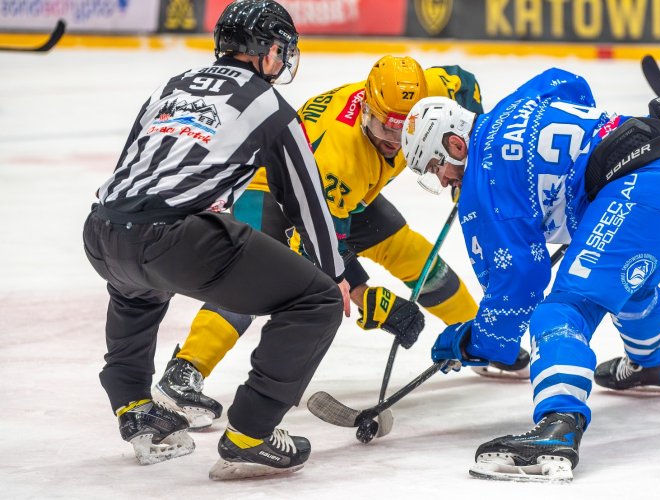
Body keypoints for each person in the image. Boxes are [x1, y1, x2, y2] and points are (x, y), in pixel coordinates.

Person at [154, 55, 533, 429]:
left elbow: (463, 82)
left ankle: (481, 339)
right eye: (385, 128)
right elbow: (319, 249)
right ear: (366, 108)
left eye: (405, 131)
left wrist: (469, 160)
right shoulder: (339, 156)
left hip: (348, 195)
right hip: (275, 191)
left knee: (413, 254)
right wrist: (371, 300)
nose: (395, 143)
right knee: (251, 283)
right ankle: (184, 371)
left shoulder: (427, 95)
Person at [401, 69, 660, 481]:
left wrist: (473, 341)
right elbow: (566, 82)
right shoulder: (513, 105)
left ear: (456, 144)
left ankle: (558, 428)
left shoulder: (483, 183)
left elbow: (520, 284)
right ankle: (650, 364)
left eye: (435, 167)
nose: (442, 180)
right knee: (629, 286)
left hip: (642, 188)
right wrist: (576, 171)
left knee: (562, 311)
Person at [82, 0, 350, 480]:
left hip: (102, 230)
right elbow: (305, 199)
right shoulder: (269, 104)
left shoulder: (172, 86)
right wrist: (335, 274)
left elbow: (129, 169)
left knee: (137, 291)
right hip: (176, 239)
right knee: (317, 301)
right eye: (281, 50)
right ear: (268, 51)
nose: (283, 59)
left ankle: (135, 407)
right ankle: (251, 433)